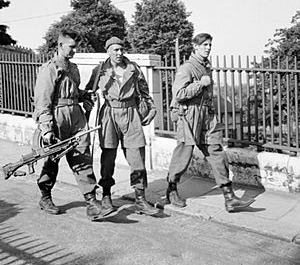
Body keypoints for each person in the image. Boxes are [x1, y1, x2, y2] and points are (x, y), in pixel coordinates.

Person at [166, 33, 255, 212]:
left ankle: (229, 197)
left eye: (210, 45)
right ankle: (171, 189)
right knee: (183, 155)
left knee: (216, 152)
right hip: (189, 116)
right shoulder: (187, 68)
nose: (208, 47)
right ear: (195, 46)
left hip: (207, 115)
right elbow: (179, 95)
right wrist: (200, 84)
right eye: (204, 44)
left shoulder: (205, 67)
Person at [33, 30, 111, 221]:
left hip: (76, 115)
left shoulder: (73, 68)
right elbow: (42, 101)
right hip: (57, 115)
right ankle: (45, 196)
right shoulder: (49, 69)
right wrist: (46, 128)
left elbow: (73, 91)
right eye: (72, 47)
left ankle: (92, 202)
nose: (75, 51)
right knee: (53, 158)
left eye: (76, 47)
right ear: (60, 46)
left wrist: (84, 95)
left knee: (82, 155)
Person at [85, 36, 158, 215]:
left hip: (131, 113)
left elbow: (145, 92)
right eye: (115, 49)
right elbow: (88, 91)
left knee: (137, 158)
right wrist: (91, 96)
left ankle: (140, 199)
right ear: (108, 51)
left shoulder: (133, 69)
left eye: (121, 49)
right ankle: (107, 196)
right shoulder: (100, 70)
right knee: (108, 157)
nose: (119, 53)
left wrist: (152, 110)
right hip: (109, 114)